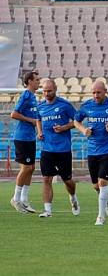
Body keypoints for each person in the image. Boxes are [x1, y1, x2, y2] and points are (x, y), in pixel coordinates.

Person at [73, 80, 108, 226]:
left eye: (98, 92)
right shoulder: (87, 106)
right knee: (96, 186)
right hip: (92, 149)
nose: (95, 95)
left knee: (103, 182)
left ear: (105, 91)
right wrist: (83, 130)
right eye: (93, 92)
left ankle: (100, 216)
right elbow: (76, 121)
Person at [35, 79, 80, 217]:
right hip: (47, 149)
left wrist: (64, 127)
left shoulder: (65, 105)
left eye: (49, 91)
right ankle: (47, 210)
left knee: (67, 180)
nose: (47, 93)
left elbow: (77, 121)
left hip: (63, 149)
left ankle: (73, 197)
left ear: (55, 89)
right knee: (46, 179)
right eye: (44, 91)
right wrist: (40, 131)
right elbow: (38, 119)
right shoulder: (40, 106)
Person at [9, 70, 39, 214]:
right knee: (26, 168)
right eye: (36, 80)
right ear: (29, 81)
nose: (38, 82)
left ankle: (24, 199)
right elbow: (14, 114)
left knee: (31, 168)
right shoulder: (26, 95)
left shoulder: (33, 97)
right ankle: (16, 198)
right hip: (22, 137)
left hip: (30, 137)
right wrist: (31, 120)